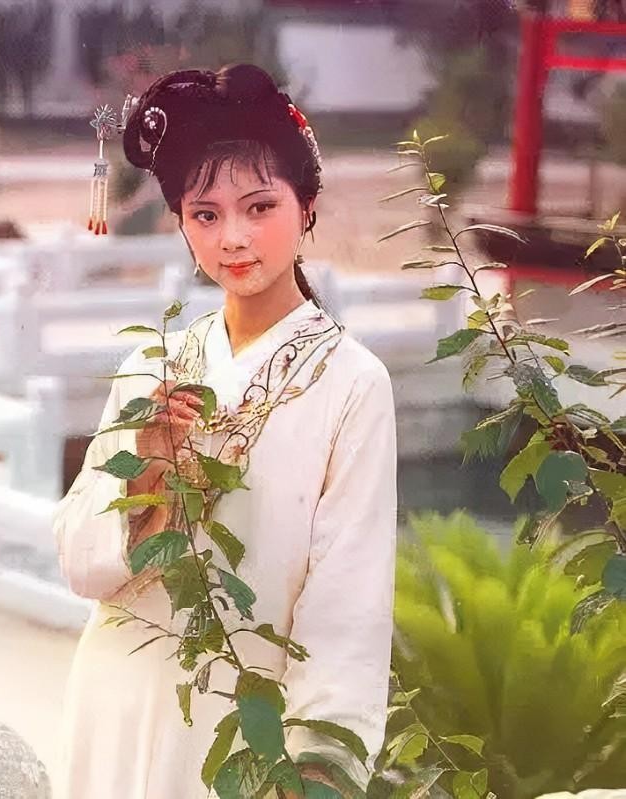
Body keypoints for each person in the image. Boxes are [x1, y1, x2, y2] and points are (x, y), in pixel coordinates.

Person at [52, 64, 398, 797]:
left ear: (306, 206)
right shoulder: (153, 366)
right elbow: (81, 563)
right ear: (180, 224)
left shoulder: (350, 384)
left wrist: (318, 767)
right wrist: (147, 475)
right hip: (113, 703)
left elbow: (346, 608)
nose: (233, 238)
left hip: (238, 731)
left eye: (259, 206)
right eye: (204, 215)